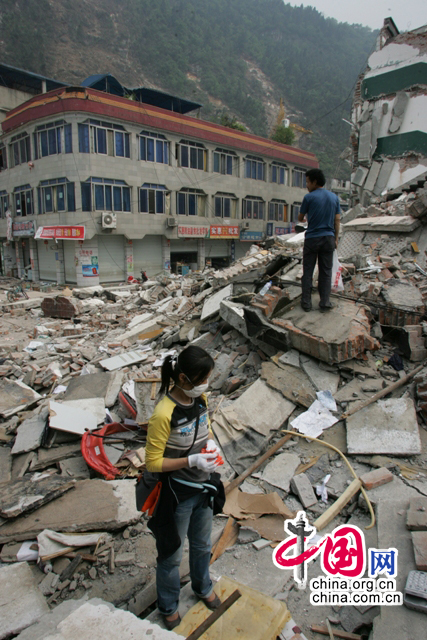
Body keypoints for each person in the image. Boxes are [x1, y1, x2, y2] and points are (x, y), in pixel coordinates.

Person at [145, 345, 223, 630]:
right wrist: (190, 460)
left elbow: (206, 427)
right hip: (178, 494)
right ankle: (168, 604)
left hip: (203, 489)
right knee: (172, 553)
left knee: (202, 545)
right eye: (202, 379)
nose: (205, 385)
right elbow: (153, 462)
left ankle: (203, 586)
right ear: (181, 380)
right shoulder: (164, 414)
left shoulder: (199, 399)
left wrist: (210, 446)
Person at [297, 168, 341, 312]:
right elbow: (337, 220)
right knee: (326, 272)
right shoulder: (334, 197)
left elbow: (300, 217)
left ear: (315, 182)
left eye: (308, 182)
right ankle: (324, 303)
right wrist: (336, 238)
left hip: (312, 239)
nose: (307, 185)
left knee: (308, 270)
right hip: (328, 238)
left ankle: (306, 303)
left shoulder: (309, 198)